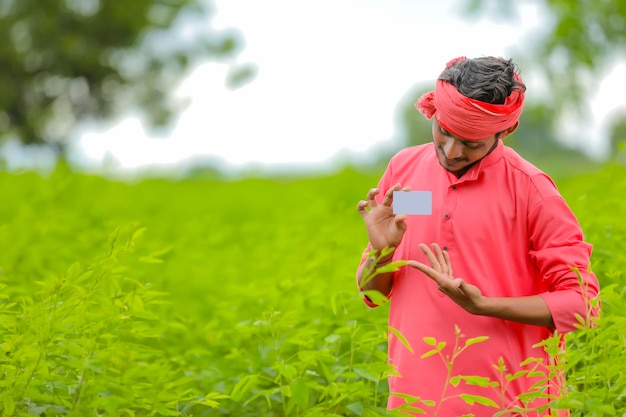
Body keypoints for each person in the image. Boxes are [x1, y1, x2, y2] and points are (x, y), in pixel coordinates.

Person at [355, 56, 600, 417]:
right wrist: (382, 249)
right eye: (444, 130)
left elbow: (582, 305)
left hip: (508, 403)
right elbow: (374, 289)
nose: (452, 151)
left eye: (470, 141)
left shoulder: (533, 191)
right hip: (416, 403)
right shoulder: (405, 172)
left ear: (503, 131)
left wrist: (484, 305)